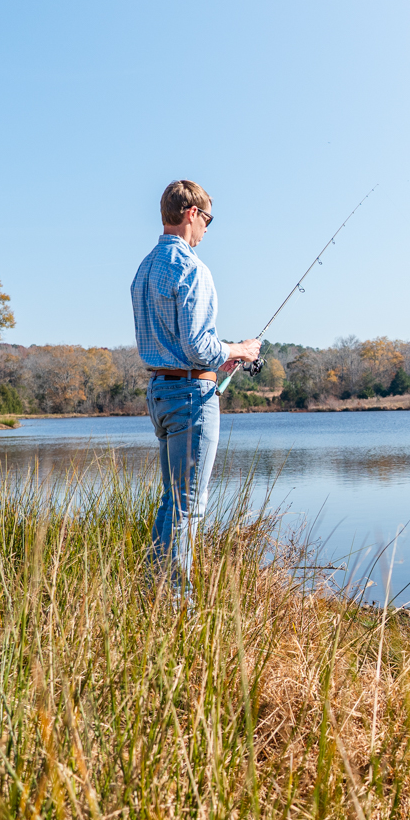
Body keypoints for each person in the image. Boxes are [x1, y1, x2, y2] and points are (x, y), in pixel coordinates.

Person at [130, 180, 261, 582]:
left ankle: (154, 589)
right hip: (190, 396)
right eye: (207, 219)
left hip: (161, 392)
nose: (206, 229)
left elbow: (176, 344)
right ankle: (175, 604)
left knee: (172, 501)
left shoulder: (145, 267)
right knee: (188, 506)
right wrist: (239, 349)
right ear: (191, 214)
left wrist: (215, 361)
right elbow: (200, 345)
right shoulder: (191, 268)